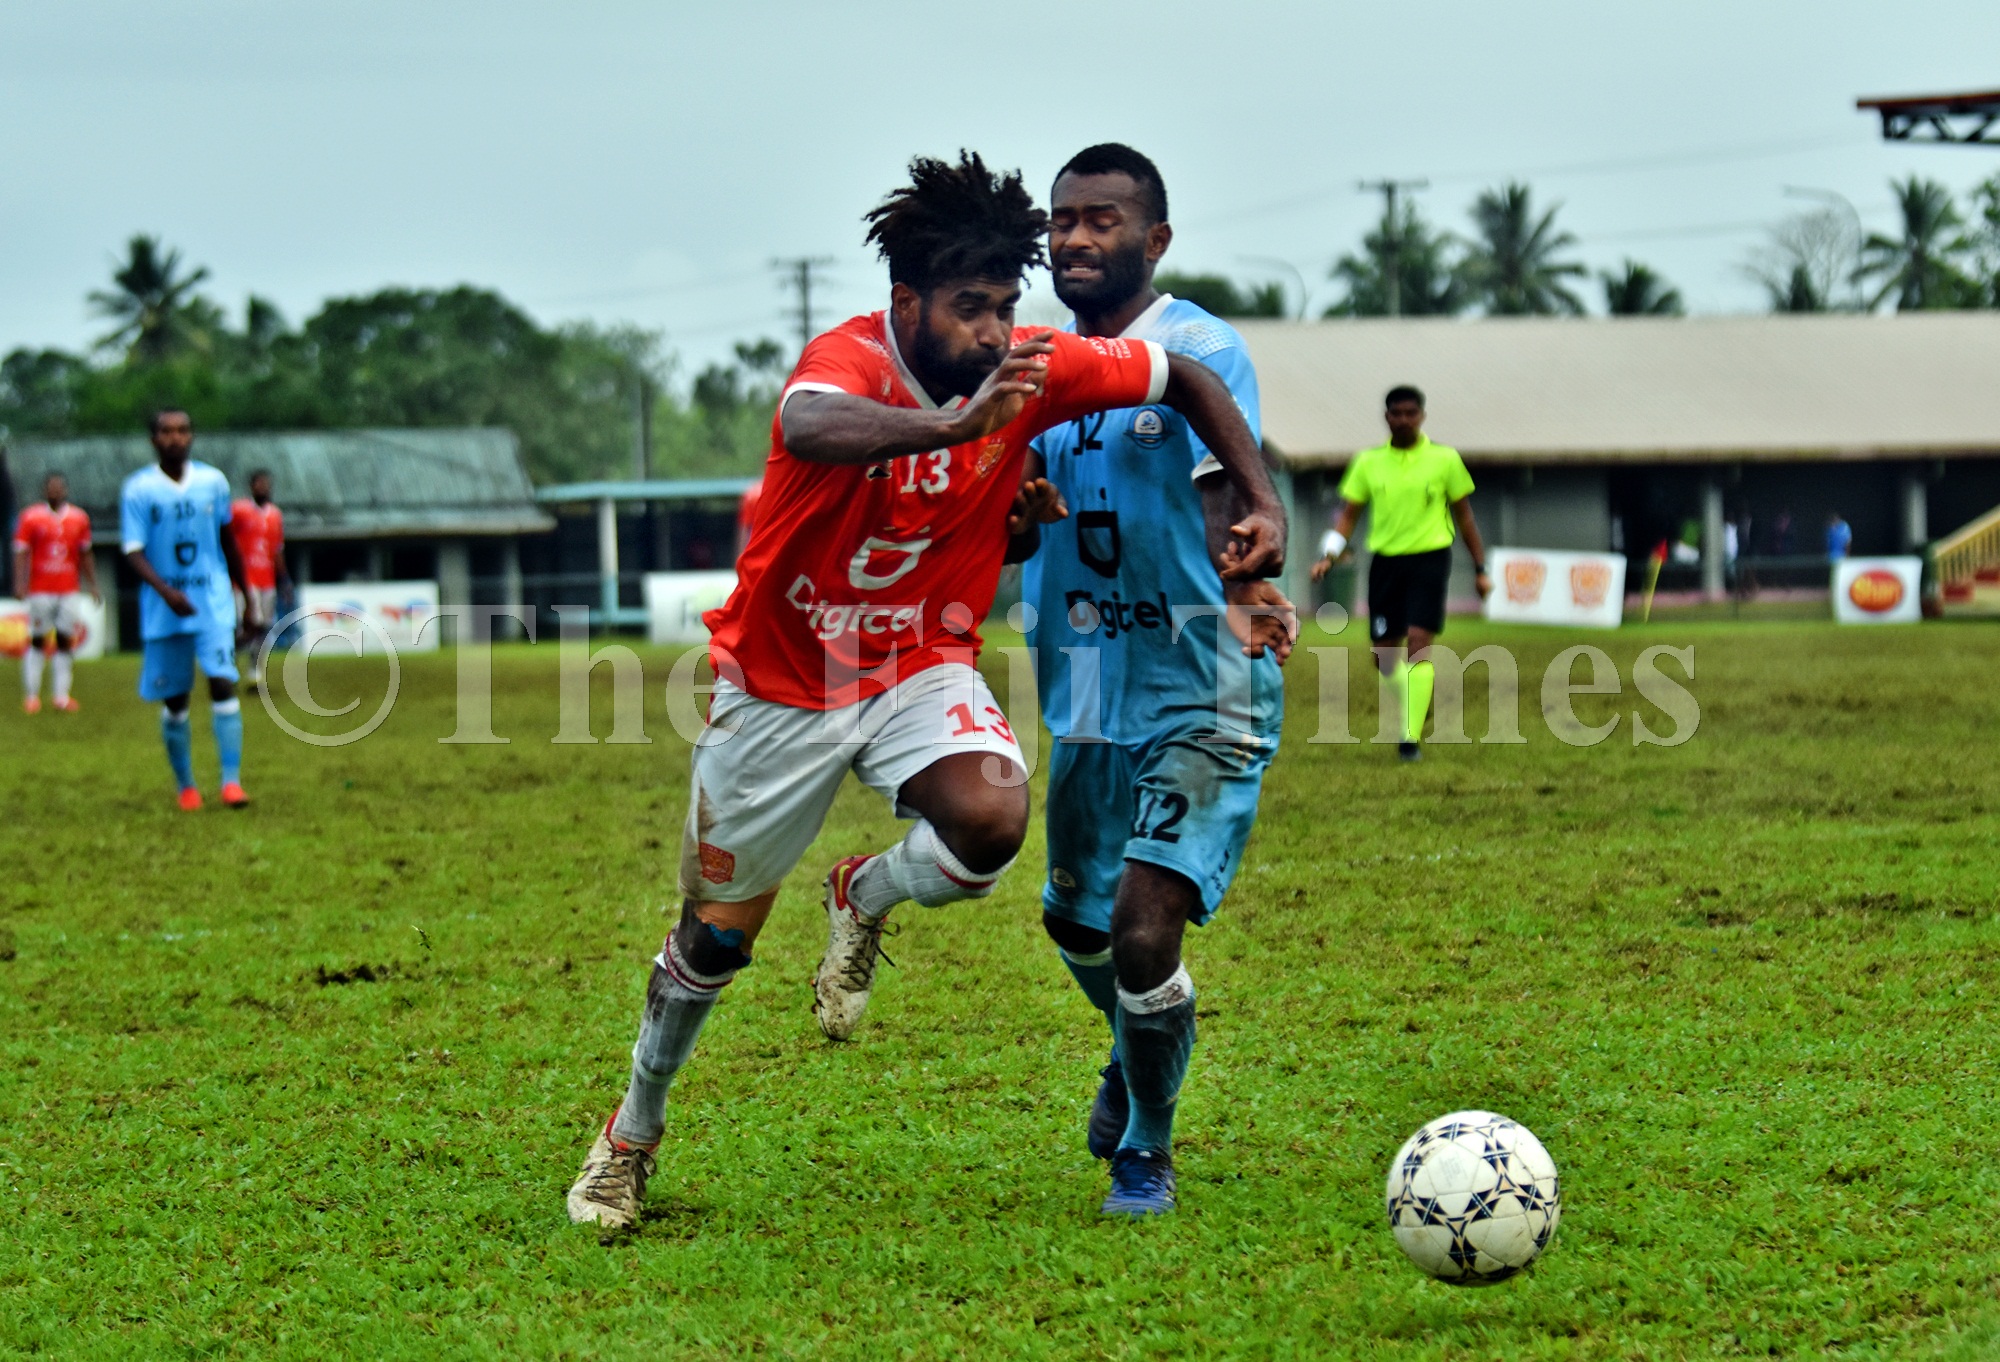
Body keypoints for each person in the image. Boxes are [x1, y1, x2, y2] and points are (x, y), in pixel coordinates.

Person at [564, 151, 1286, 1231]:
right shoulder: (848, 364)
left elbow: (1182, 376)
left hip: (915, 666)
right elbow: (808, 423)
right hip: (781, 684)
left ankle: (864, 892)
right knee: (715, 938)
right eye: (966, 310)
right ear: (904, 303)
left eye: (1003, 306)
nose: (993, 335)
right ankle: (631, 1133)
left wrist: (1260, 507)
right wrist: (950, 429)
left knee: (993, 818)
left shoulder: (1027, 368)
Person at [1019, 143, 1295, 1217]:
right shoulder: (1037, 365)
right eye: (1061, 221)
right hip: (1086, 689)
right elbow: (1006, 522)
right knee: (1073, 923)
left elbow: (1228, 483)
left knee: (1141, 927)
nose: (1074, 240)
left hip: (1201, 682)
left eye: (1099, 219)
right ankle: (1135, 1050)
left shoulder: (1194, 346)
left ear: (1155, 239)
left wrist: (1248, 569)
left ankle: (1145, 1148)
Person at [1312, 386, 1490, 761]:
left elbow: (1465, 516)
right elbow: (1348, 515)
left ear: (1422, 416)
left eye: (1412, 413)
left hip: (1430, 559)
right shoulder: (1368, 462)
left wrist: (1480, 567)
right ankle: (1416, 699)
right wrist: (1329, 554)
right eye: (1398, 413)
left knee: (1419, 641)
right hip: (1386, 563)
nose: (1405, 420)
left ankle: (1409, 739)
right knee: (1383, 657)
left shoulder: (1445, 460)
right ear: (1387, 417)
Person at [121, 409, 250, 810]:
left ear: (191, 436)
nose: (176, 437)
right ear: (154, 439)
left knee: (222, 680)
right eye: (166, 431)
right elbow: (132, 551)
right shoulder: (139, 489)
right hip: (165, 608)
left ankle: (231, 783)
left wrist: (244, 594)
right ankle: (187, 786)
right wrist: (164, 591)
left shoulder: (213, 482)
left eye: (182, 430)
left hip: (211, 601)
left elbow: (228, 540)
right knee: (176, 699)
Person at [11, 471, 99, 714]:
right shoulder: (31, 517)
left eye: (59, 487)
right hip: (40, 589)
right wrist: (19, 583)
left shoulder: (79, 518)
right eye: (51, 487)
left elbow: (85, 553)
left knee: (64, 642)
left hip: (68, 588)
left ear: (65, 490)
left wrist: (93, 584)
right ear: (44, 491)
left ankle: (61, 696)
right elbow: (20, 552)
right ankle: (32, 696)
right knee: (38, 639)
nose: (55, 491)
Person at [229, 469, 289, 689]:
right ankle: (227, 664)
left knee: (263, 627)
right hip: (245, 580)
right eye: (260, 483)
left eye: (267, 484)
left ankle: (255, 672)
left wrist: (284, 580)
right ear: (251, 486)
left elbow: (277, 549)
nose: (264, 487)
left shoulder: (275, 514)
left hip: (268, 580)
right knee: (246, 625)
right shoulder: (238, 510)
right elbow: (225, 541)